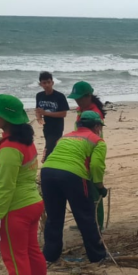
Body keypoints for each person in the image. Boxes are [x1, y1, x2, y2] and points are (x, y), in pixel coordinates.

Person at [0, 94, 48, 275]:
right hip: (31, 203)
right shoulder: (24, 141)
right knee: (31, 252)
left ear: (6, 117)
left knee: (15, 258)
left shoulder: (10, 148)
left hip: (16, 209)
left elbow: (6, 186)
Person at [40, 110, 108, 264]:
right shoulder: (97, 141)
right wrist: (99, 186)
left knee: (53, 217)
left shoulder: (65, 137)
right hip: (72, 175)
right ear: (97, 126)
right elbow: (96, 166)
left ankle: (50, 256)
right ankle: (97, 256)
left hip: (47, 172)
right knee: (85, 216)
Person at [35, 72, 70, 159]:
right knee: (52, 146)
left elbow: (64, 113)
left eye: (48, 82)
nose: (47, 85)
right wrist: (39, 118)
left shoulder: (59, 96)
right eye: (44, 83)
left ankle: (46, 161)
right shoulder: (39, 96)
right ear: (40, 84)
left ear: (52, 83)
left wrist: (46, 113)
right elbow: (38, 110)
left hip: (57, 127)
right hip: (46, 126)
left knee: (49, 148)